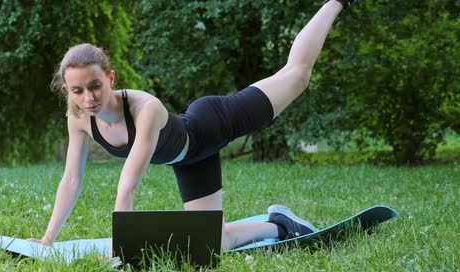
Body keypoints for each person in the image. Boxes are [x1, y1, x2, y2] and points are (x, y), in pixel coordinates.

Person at [29, 0, 357, 250]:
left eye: (95, 86)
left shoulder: (146, 108)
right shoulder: (78, 118)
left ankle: (337, 3)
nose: (88, 97)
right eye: (77, 91)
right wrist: (47, 239)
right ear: (67, 90)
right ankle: (281, 224)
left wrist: (120, 249)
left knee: (296, 75)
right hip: (189, 159)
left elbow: (128, 185)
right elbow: (71, 179)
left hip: (211, 124)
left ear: (110, 78)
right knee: (214, 242)